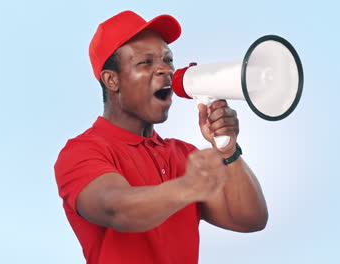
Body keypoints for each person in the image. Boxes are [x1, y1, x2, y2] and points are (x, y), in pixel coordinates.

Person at [54, 10, 268, 264]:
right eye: (146, 63)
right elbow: (117, 210)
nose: (164, 70)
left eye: (168, 60)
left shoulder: (185, 155)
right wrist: (188, 187)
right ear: (112, 80)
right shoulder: (83, 152)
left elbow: (251, 219)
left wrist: (228, 151)